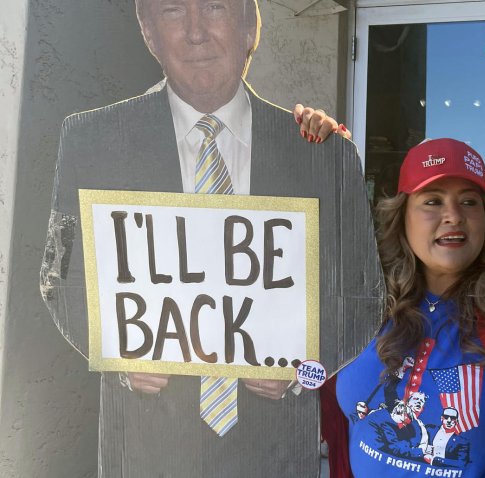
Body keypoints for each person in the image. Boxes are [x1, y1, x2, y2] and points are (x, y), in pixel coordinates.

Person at [39, 0, 382, 476]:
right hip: (143, 451)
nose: (196, 32)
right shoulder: (92, 140)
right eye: (174, 11)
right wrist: (118, 356)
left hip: (274, 452)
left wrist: (305, 371)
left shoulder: (323, 154)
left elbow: (363, 298)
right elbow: (60, 281)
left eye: (216, 7)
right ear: (148, 31)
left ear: (249, 28)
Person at [324, 138, 485, 477]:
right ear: (403, 217)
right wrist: (320, 144)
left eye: (469, 202)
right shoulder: (361, 300)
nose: (453, 216)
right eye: (433, 201)